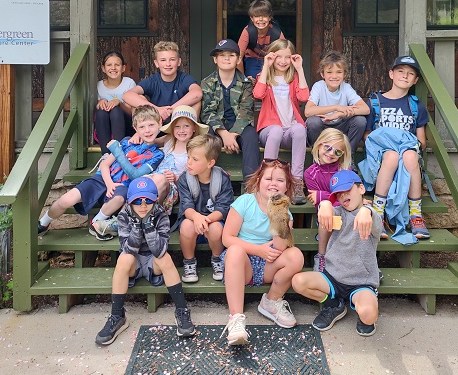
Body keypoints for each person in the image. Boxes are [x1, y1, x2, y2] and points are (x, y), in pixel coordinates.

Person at [95, 177, 196, 345]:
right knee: (123, 259)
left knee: (165, 258)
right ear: (129, 202)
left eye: (147, 200)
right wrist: (136, 227)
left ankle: (182, 310)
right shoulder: (123, 215)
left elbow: (160, 249)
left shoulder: (161, 215)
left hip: (153, 260)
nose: (143, 206)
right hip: (133, 261)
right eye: (137, 201)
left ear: (155, 200)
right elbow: (127, 248)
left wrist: (148, 227)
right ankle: (117, 315)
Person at [37, 105, 164, 235]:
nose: (147, 130)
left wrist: (117, 152)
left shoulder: (157, 155)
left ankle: (96, 223)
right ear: (135, 129)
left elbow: (135, 176)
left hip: (122, 186)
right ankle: (43, 222)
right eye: (142, 127)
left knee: (119, 199)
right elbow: (104, 165)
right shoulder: (126, 142)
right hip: (101, 179)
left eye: (151, 125)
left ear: (159, 123)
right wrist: (109, 184)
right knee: (66, 200)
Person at [221, 159, 304, 346]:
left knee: (296, 255)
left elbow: (281, 247)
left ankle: (271, 301)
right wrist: (258, 250)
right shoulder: (244, 202)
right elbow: (227, 238)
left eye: (280, 181)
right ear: (258, 181)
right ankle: (235, 319)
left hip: (267, 262)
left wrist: (277, 214)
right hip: (241, 264)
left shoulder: (285, 212)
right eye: (268, 178)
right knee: (234, 251)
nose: (273, 183)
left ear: (287, 186)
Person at [92, 105, 208, 239]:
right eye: (177, 126)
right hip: (151, 178)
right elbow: (148, 142)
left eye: (186, 126)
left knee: (157, 180)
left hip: (171, 185)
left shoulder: (195, 147)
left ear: (194, 128)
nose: (181, 130)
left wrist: (177, 177)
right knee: (140, 183)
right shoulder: (169, 139)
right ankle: (123, 219)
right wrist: (137, 135)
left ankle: (127, 223)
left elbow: (197, 171)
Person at [292, 170, 380, 336]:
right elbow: (328, 214)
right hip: (333, 277)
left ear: (361, 189)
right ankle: (333, 304)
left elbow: (373, 219)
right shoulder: (338, 213)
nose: (343, 196)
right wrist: (325, 204)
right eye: (338, 194)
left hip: (361, 282)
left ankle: (365, 305)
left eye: (347, 189)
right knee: (298, 281)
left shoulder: (370, 217)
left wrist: (366, 210)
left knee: (368, 316)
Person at [360, 55, 430, 243]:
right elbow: (367, 136)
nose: (405, 76)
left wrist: (404, 145)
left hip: (407, 155)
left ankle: (416, 214)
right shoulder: (375, 102)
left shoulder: (415, 106)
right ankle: (378, 213)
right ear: (391, 74)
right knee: (391, 156)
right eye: (400, 71)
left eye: (410, 74)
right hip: (382, 156)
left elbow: (421, 141)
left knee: (409, 155)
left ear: (415, 80)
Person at [253, 39, 309, 200]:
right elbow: (258, 94)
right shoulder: (264, 76)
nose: (283, 61)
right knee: (276, 130)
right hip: (269, 131)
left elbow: (304, 97)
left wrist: (300, 69)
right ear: (272, 57)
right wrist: (266, 66)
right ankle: (268, 180)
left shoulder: (294, 77)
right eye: (279, 57)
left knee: (299, 128)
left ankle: (297, 183)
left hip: (289, 131)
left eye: (287, 57)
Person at [177, 134, 235, 283]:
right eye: (188, 157)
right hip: (192, 222)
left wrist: (204, 220)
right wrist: (197, 218)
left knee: (216, 228)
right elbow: (186, 205)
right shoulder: (185, 179)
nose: (189, 162)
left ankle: (217, 259)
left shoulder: (222, 178)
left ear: (210, 163)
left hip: (213, 222)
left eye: (195, 159)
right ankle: (189, 262)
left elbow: (223, 209)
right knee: (186, 226)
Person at [201, 38, 260, 180]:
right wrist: (224, 134)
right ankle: (206, 183)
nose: (226, 59)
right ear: (215, 59)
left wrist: (233, 134)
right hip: (217, 127)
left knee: (251, 136)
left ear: (239, 59)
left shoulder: (246, 83)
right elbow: (207, 113)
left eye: (231, 55)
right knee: (205, 140)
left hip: (240, 126)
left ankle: (251, 185)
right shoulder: (207, 83)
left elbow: (246, 111)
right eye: (222, 55)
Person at [304, 128, 353, 272]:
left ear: (342, 155)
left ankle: (361, 262)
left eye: (337, 152)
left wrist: (321, 195)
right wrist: (328, 198)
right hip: (326, 214)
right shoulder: (310, 173)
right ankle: (321, 256)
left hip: (347, 213)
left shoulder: (345, 171)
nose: (331, 153)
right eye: (328, 147)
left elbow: (347, 200)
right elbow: (318, 203)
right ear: (319, 145)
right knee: (327, 211)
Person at [304, 50, 369, 158]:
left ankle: (348, 157)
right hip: (323, 126)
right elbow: (308, 111)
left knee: (360, 121)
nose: (334, 76)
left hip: (340, 127)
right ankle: (318, 157)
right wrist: (336, 107)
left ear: (345, 74)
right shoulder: (319, 86)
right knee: (313, 122)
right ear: (322, 74)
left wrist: (339, 113)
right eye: (329, 72)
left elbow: (365, 109)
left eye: (339, 72)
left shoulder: (346, 87)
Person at [122, 41, 202, 124]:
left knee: (196, 101)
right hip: (156, 124)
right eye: (163, 60)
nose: (168, 64)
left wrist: (170, 110)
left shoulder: (184, 78)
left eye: (172, 60)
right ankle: (142, 133)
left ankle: (190, 135)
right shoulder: (152, 81)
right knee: (139, 98)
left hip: (178, 125)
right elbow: (127, 95)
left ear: (179, 62)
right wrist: (157, 110)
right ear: (156, 63)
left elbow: (197, 93)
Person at [93, 51, 136, 153]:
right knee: (101, 111)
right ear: (103, 68)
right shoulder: (98, 86)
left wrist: (119, 103)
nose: (113, 68)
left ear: (123, 68)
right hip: (105, 129)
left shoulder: (128, 83)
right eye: (109, 65)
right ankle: (105, 154)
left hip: (125, 126)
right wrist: (100, 101)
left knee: (116, 110)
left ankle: (119, 151)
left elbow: (132, 112)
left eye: (117, 65)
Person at [236, 0, 285, 79]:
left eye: (264, 16)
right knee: (253, 79)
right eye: (257, 16)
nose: (261, 19)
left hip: (271, 60)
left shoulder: (276, 33)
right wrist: (243, 80)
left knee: (272, 80)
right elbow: (239, 58)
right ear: (251, 18)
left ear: (270, 18)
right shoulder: (248, 31)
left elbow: (284, 54)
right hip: (252, 59)